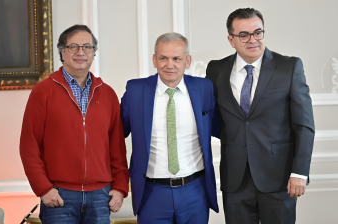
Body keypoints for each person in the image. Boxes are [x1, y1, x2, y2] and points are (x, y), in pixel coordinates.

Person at [206, 8, 315, 224]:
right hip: (235, 181)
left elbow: (304, 125)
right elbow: (215, 120)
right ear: (231, 39)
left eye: (257, 32)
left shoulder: (289, 67)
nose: (252, 40)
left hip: (280, 178)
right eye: (244, 35)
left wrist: (300, 173)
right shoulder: (216, 70)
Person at [20, 25, 129, 224]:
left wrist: (120, 187)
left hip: (100, 195)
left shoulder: (107, 94)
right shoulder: (43, 92)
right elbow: (29, 146)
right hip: (59, 196)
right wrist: (44, 189)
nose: (81, 52)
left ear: (93, 53)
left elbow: (117, 147)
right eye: (73, 47)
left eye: (87, 47)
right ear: (62, 51)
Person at [121, 32, 219, 224]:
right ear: (154, 60)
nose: (169, 65)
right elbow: (115, 135)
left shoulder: (204, 88)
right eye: (163, 58)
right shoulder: (135, 90)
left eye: (176, 59)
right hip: (152, 192)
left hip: (195, 190)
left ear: (187, 61)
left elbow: (220, 127)